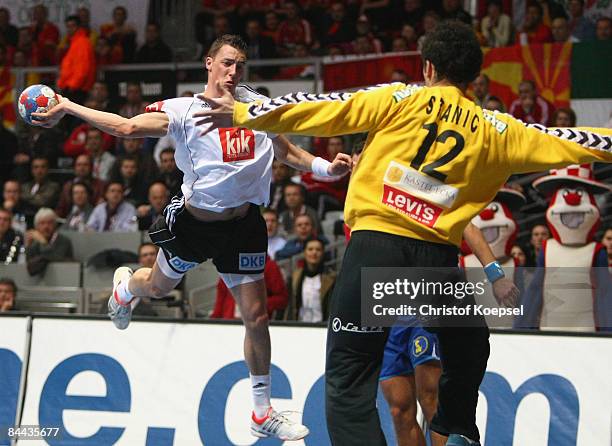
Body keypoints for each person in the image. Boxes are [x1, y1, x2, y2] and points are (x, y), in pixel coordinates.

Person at [195, 20, 612, 446]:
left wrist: (248, 112)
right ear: (474, 77)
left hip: (376, 254)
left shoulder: (398, 98)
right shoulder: (497, 128)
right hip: (435, 265)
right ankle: (457, 428)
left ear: (428, 67)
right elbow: (576, 139)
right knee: (469, 347)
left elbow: (322, 106)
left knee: (348, 383)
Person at [32, 34, 351, 441]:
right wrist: (68, 106)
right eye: (228, 63)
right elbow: (127, 127)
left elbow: (286, 151)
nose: (234, 72)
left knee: (255, 317)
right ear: (209, 63)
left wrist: (325, 169)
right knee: (160, 286)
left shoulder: (256, 105)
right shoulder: (184, 110)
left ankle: (261, 411)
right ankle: (126, 289)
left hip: (244, 226)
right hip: (195, 226)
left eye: (240, 65)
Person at [289, 237, 335, 322]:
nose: (314, 252)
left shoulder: (331, 279)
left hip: (323, 327)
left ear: (323, 253)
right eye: (310, 249)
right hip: (299, 327)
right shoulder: (295, 277)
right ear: (304, 253)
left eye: (318, 250)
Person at [57, 15, 96, 106]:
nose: (70, 29)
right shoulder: (76, 42)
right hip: (72, 87)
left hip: (75, 89)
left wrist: (72, 86)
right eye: (68, 26)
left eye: (72, 26)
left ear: (78, 27)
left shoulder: (82, 42)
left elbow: (83, 68)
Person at [25, 208, 73, 276]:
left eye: (49, 223)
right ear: (36, 226)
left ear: (55, 225)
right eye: (42, 223)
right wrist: (28, 246)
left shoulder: (64, 241)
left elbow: (56, 257)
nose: (46, 226)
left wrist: (44, 243)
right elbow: (30, 265)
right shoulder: (35, 242)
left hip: (63, 276)